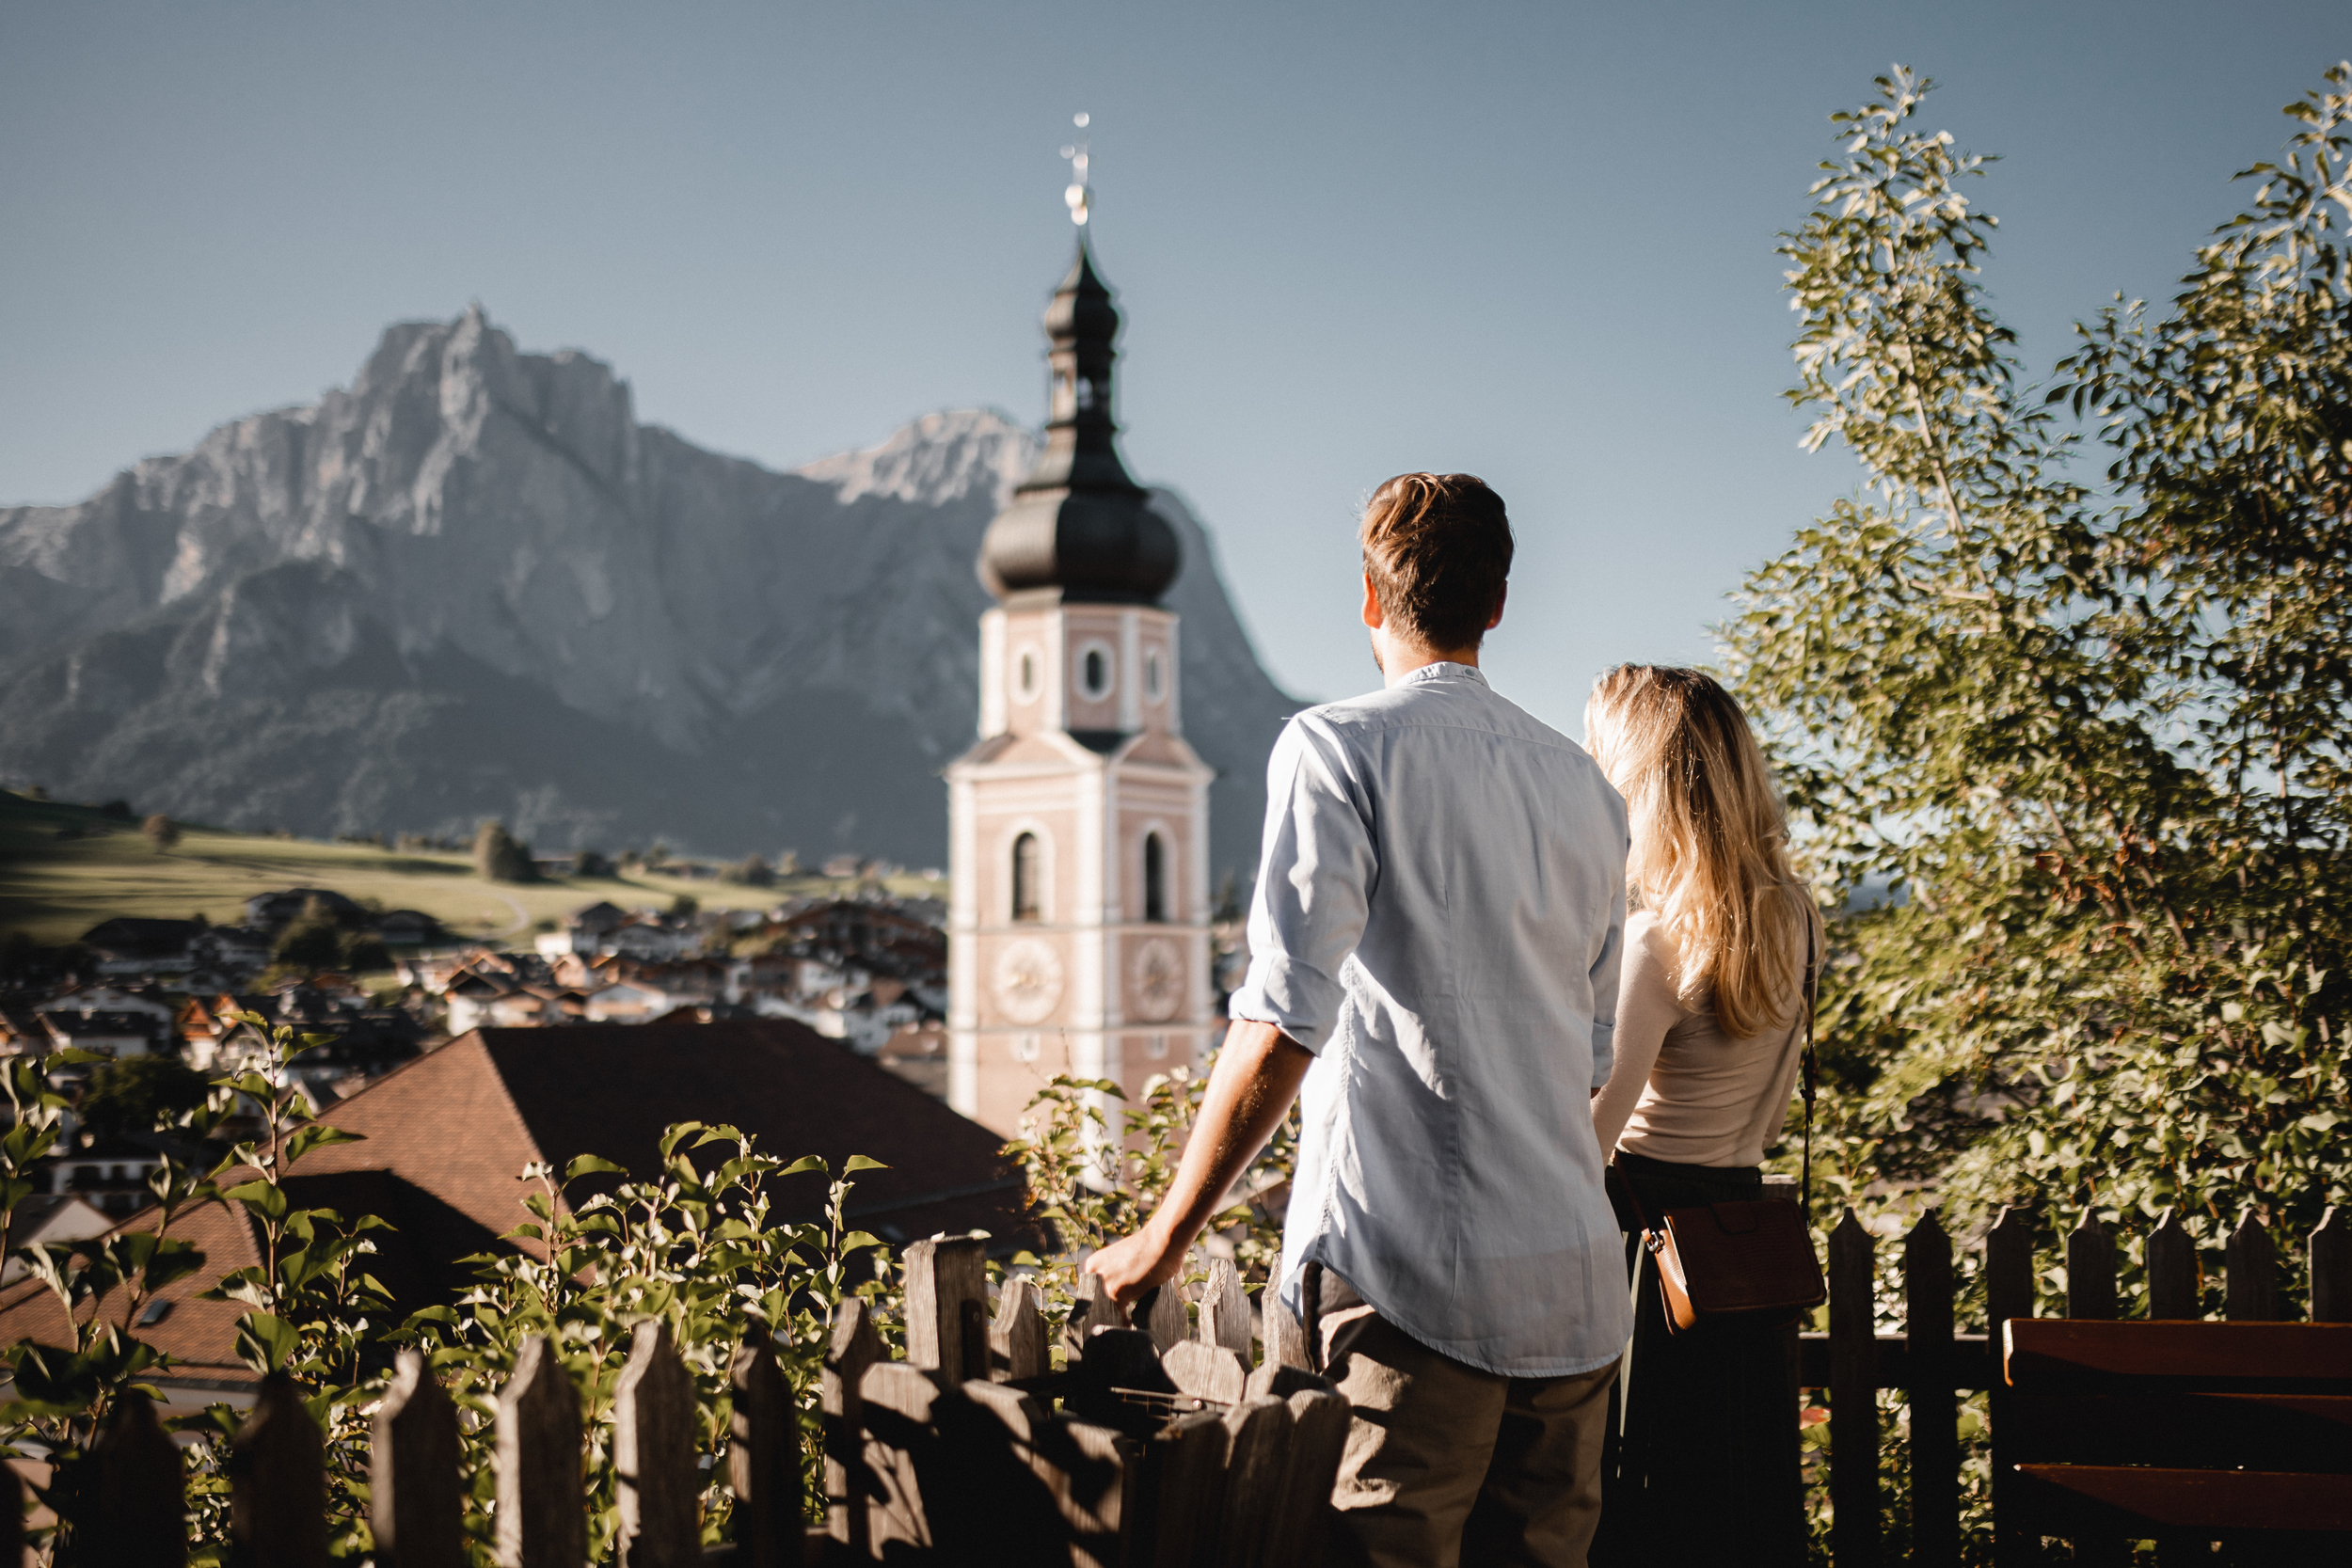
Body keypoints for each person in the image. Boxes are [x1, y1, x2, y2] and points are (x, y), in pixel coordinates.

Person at [1088, 472, 1631, 1568]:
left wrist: (1159, 1242)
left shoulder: (1337, 749)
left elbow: (1283, 1019)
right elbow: (1591, 1055)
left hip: (1410, 1275)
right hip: (1573, 1285)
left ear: (1372, 602)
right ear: (1498, 602)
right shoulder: (1588, 788)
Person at [1582, 664, 1821, 1568]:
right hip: (1742, 1225)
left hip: (1650, 1242)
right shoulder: (1793, 917)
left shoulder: (1656, 939)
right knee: (1738, 1486)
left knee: (1647, 1490)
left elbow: (1598, 1139)